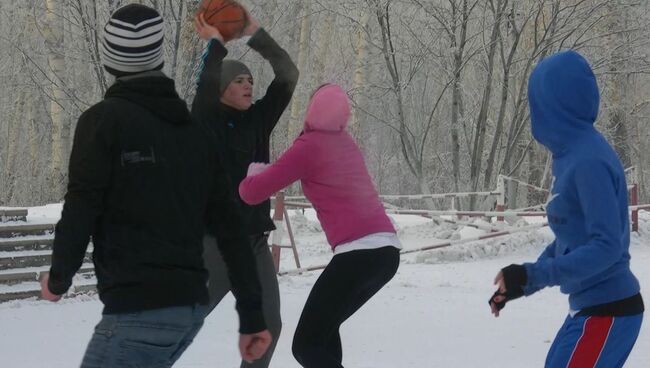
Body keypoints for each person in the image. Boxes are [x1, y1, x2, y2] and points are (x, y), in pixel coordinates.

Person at [39, 4, 271, 367]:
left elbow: (81, 207)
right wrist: (253, 316)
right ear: (159, 58)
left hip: (138, 309)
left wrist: (57, 279)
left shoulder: (102, 122)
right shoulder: (194, 134)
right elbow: (230, 228)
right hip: (189, 309)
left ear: (110, 60)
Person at [488, 50, 644, 368]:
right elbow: (570, 239)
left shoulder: (588, 161)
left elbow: (606, 247)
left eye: (537, 103)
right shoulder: (570, 156)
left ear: (554, 104)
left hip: (609, 309)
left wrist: (534, 273)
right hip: (590, 308)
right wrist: (524, 282)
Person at [238, 84, 401, 368]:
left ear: (311, 111)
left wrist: (253, 173)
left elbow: (252, 193)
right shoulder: (346, 142)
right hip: (386, 254)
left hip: (358, 255)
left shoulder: (309, 147)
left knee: (306, 344)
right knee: (324, 334)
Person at [192, 9, 299, 368]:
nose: (248, 84)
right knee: (176, 323)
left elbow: (288, 74)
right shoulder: (205, 119)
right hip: (213, 243)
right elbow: (204, 80)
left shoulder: (258, 121)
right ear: (222, 88)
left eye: (250, 80)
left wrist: (255, 32)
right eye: (239, 80)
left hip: (252, 242)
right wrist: (216, 43)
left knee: (268, 325)